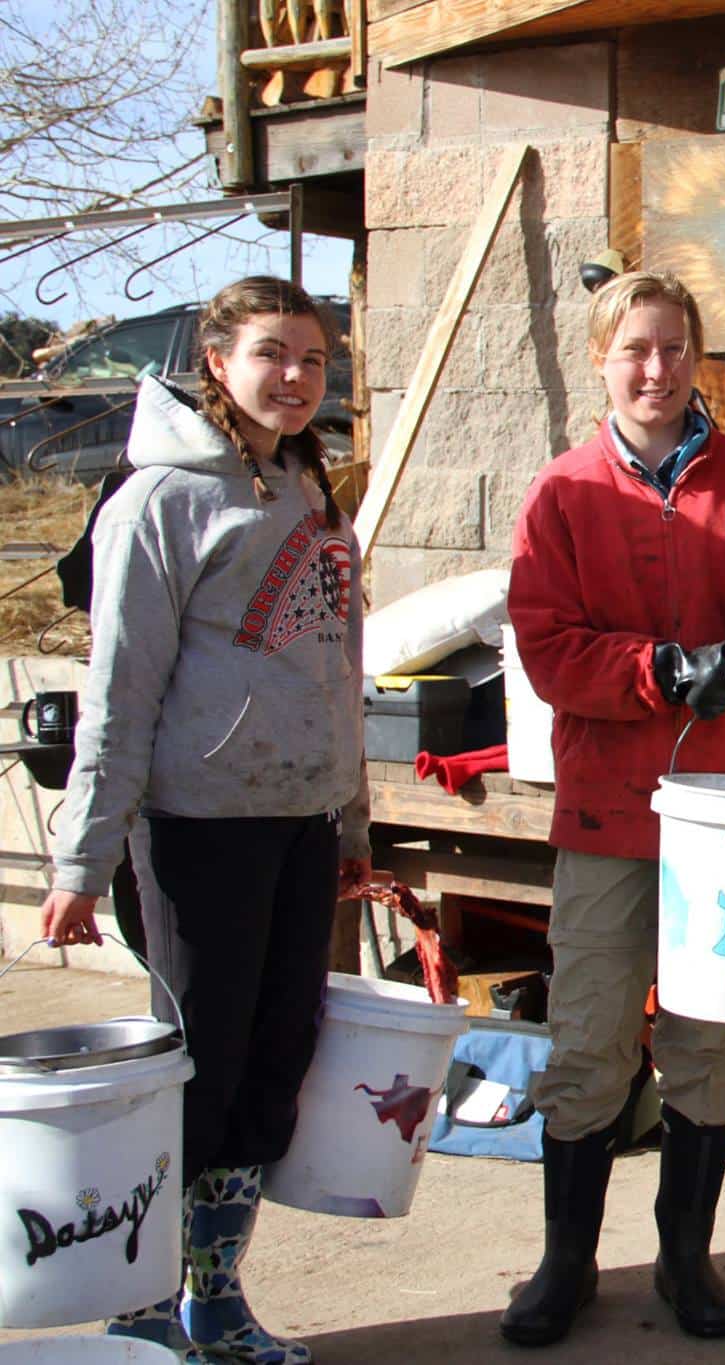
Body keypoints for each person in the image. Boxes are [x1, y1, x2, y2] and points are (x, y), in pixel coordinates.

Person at [41, 276, 370, 1364]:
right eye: (273, 353)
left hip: (299, 826)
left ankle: (214, 1293)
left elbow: (337, 670)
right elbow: (119, 691)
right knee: (199, 1070)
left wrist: (351, 817)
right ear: (217, 361)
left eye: (314, 360)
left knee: (275, 1064)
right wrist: (82, 861)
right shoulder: (160, 501)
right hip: (196, 833)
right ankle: (142, 1309)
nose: (295, 377)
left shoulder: (306, 491)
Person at [501, 269, 725, 1347]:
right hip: (607, 813)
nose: (656, 370)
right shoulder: (562, 494)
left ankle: (686, 1264)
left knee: (703, 1046)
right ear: (602, 358)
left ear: (697, 357)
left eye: (674, 348)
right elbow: (548, 650)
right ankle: (565, 1265)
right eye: (635, 349)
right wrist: (659, 668)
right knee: (589, 1043)